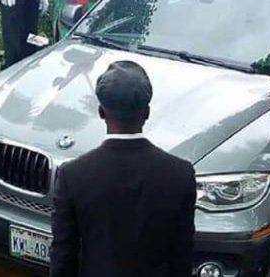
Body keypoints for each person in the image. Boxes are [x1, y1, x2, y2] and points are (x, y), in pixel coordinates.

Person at [50, 61, 196, 276]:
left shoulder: (73, 175)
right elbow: (182, 255)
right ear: (146, 113)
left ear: (101, 112)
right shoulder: (180, 174)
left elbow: (63, 255)